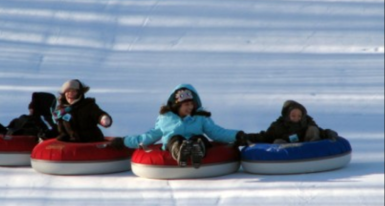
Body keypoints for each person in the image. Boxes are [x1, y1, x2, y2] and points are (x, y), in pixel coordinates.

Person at [110, 84, 242, 169]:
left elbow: (217, 132)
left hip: (196, 141)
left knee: (199, 138)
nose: (190, 108)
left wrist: (238, 136)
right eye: (186, 105)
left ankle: (197, 150)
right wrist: (124, 141)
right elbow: (150, 136)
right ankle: (180, 151)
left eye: (191, 104)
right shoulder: (166, 119)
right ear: (178, 105)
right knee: (175, 139)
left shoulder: (200, 117)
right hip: (175, 143)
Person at [235, 100, 339, 146]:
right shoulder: (278, 126)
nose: (296, 118)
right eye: (293, 116)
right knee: (278, 141)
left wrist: (328, 133)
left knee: (313, 129)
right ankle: (284, 156)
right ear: (287, 115)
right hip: (289, 151)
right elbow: (265, 137)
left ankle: (314, 148)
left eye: (299, 116)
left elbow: (319, 131)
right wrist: (247, 138)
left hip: (307, 147)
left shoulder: (307, 122)